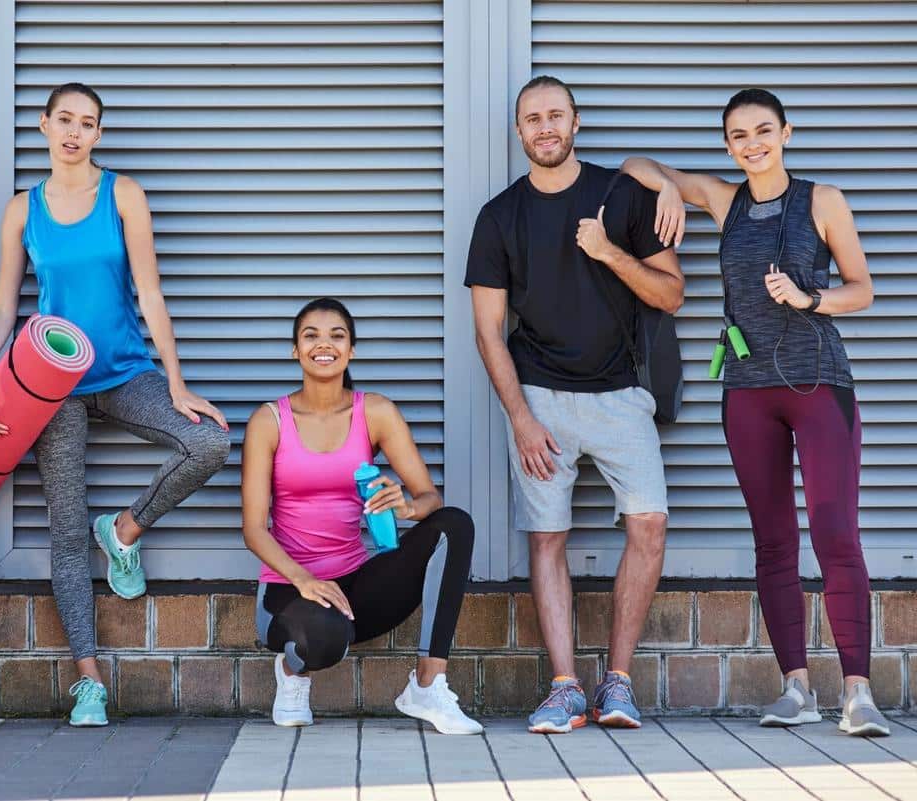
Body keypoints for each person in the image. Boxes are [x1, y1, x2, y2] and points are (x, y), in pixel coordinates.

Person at [621, 88, 886, 737]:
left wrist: (808, 297)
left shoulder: (821, 200)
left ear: (786, 134)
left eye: (763, 131)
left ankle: (858, 693)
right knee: (773, 540)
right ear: (728, 145)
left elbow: (863, 290)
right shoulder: (723, 199)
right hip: (746, 392)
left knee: (835, 534)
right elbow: (634, 164)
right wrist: (666, 188)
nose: (752, 144)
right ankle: (796, 687)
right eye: (739, 135)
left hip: (818, 383)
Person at [0, 82, 230, 726]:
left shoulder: (123, 195)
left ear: (99, 134)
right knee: (64, 529)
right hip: (51, 384)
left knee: (209, 441)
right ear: (44, 125)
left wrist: (176, 382)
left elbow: (151, 293)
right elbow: (4, 304)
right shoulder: (22, 211)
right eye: (65, 119)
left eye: (87, 123)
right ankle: (89, 681)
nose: (74, 132)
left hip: (123, 371)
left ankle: (123, 531)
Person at [465, 75, 684, 733]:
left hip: (622, 394)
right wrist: (521, 418)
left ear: (576, 122)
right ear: (519, 131)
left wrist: (609, 251)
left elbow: (671, 294)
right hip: (540, 396)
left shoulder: (622, 195)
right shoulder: (499, 216)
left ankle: (618, 682)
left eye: (555, 115)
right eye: (533, 119)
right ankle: (564, 687)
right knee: (547, 536)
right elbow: (488, 330)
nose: (545, 128)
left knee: (649, 524)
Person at [241, 298, 482, 735]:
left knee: (455, 524)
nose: (324, 345)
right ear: (295, 350)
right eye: (311, 336)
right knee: (326, 635)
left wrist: (407, 507)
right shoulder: (269, 421)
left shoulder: (375, 412)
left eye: (337, 336)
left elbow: (429, 496)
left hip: (355, 587)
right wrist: (304, 580)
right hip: (288, 591)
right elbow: (254, 529)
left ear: (351, 350)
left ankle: (427, 685)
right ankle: (292, 672)